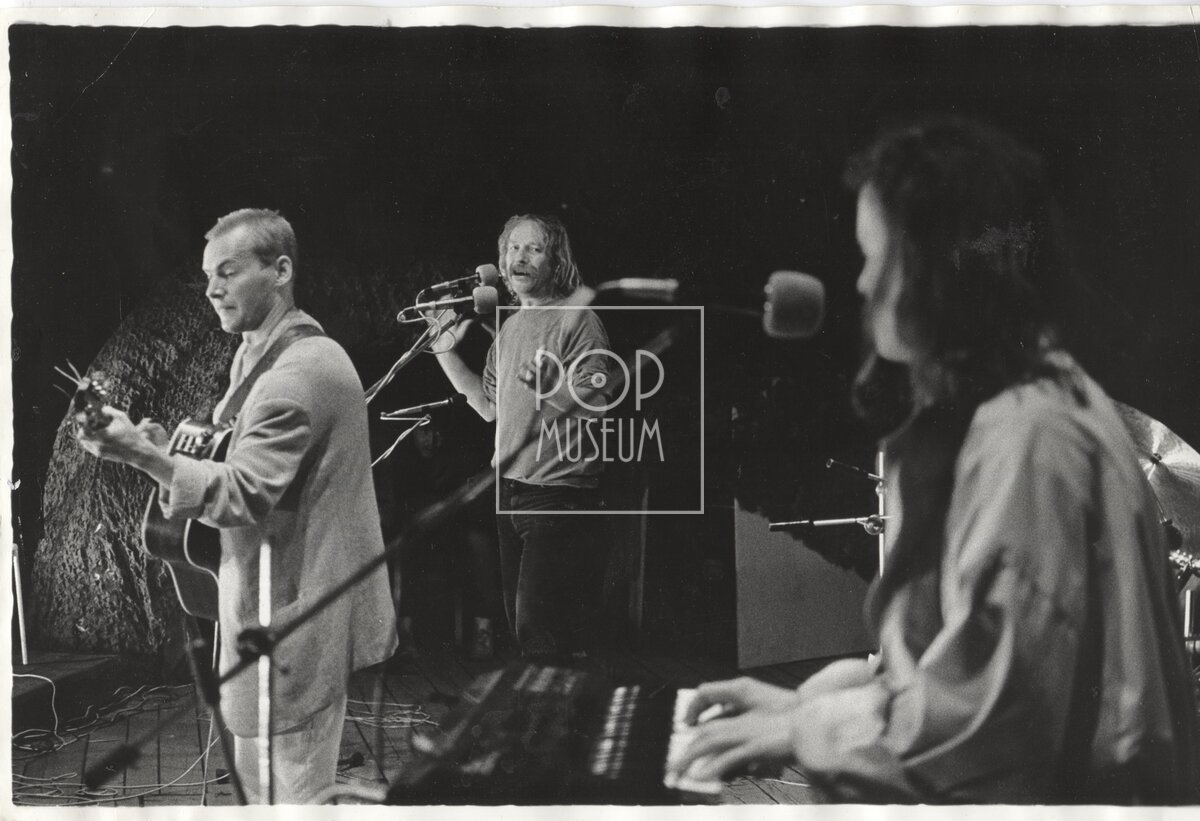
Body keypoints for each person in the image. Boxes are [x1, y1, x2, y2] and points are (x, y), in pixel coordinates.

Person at [669, 119, 1200, 803]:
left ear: (936, 269)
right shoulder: (1028, 406)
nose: (862, 283)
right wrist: (802, 706)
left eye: (876, 256)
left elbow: (1000, 726)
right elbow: (976, 668)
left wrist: (807, 729)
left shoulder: (1031, 439)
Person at [75, 209, 398, 804]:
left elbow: (244, 492)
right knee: (257, 782)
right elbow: (242, 458)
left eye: (228, 272)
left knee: (293, 793)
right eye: (207, 276)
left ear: (281, 271)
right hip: (268, 607)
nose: (212, 290)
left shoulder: (299, 373)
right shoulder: (259, 353)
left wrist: (142, 459)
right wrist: (158, 450)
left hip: (299, 619)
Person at [432, 213, 611, 660]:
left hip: (557, 493)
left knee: (538, 629)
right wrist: (443, 351)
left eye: (534, 248)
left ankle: (561, 702)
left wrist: (555, 387)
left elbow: (598, 396)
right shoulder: (509, 327)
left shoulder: (577, 319)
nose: (520, 257)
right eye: (513, 248)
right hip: (509, 491)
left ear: (556, 261)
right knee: (524, 629)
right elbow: (488, 407)